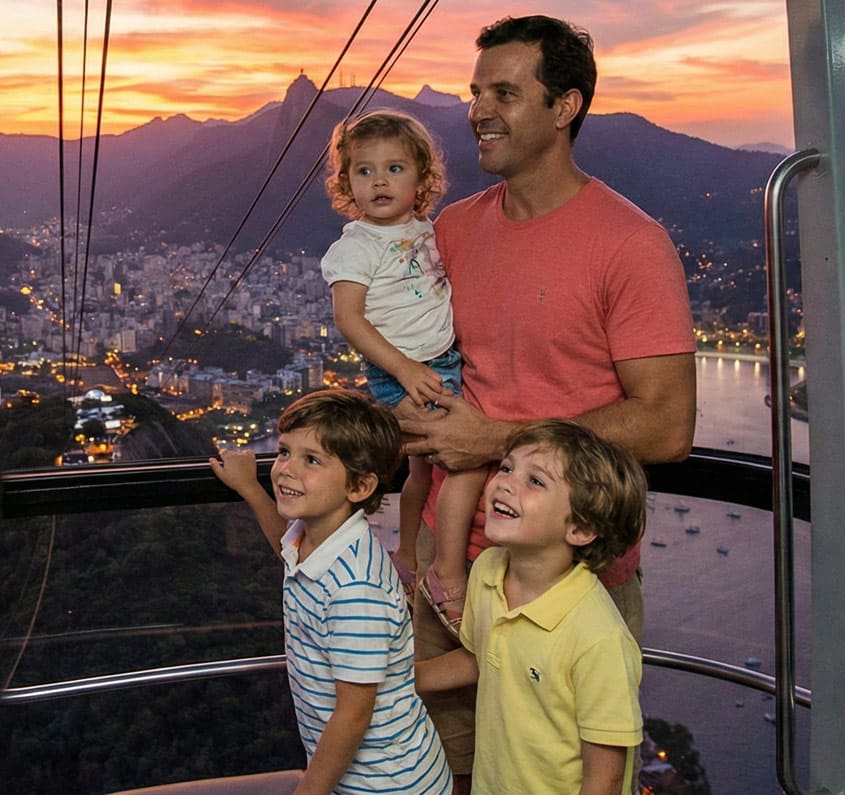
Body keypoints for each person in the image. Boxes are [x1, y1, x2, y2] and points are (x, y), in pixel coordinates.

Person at [395, 14, 697, 790]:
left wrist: (492, 440)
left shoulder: (630, 243)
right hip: (450, 566)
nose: (477, 110)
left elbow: (666, 422)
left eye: (504, 91)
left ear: (564, 108)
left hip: (573, 581)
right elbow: (427, 369)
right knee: (444, 772)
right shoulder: (453, 231)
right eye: (474, 92)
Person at [209, 388, 452, 794]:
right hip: (363, 776)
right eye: (285, 451)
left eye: (312, 460)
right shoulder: (321, 539)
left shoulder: (356, 589)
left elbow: (354, 714)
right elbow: (284, 548)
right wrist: (251, 488)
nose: (286, 469)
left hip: (388, 784)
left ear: (359, 487)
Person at [416, 420, 647, 794]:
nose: (504, 482)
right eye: (506, 467)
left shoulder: (597, 637)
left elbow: (604, 776)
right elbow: (479, 655)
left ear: (581, 529)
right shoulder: (489, 570)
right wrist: (399, 679)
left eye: (535, 481)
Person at [321, 109, 486, 635]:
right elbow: (348, 318)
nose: (379, 181)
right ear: (347, 182)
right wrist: (405, 369)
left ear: (421, 178)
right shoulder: (355, 247)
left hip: (438, 363)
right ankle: (448, 574)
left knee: (420, 473)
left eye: (394, 168)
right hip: (406, 372)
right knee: (466, 463)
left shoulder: (427, 231)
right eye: (364, 171)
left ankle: (408, 555)